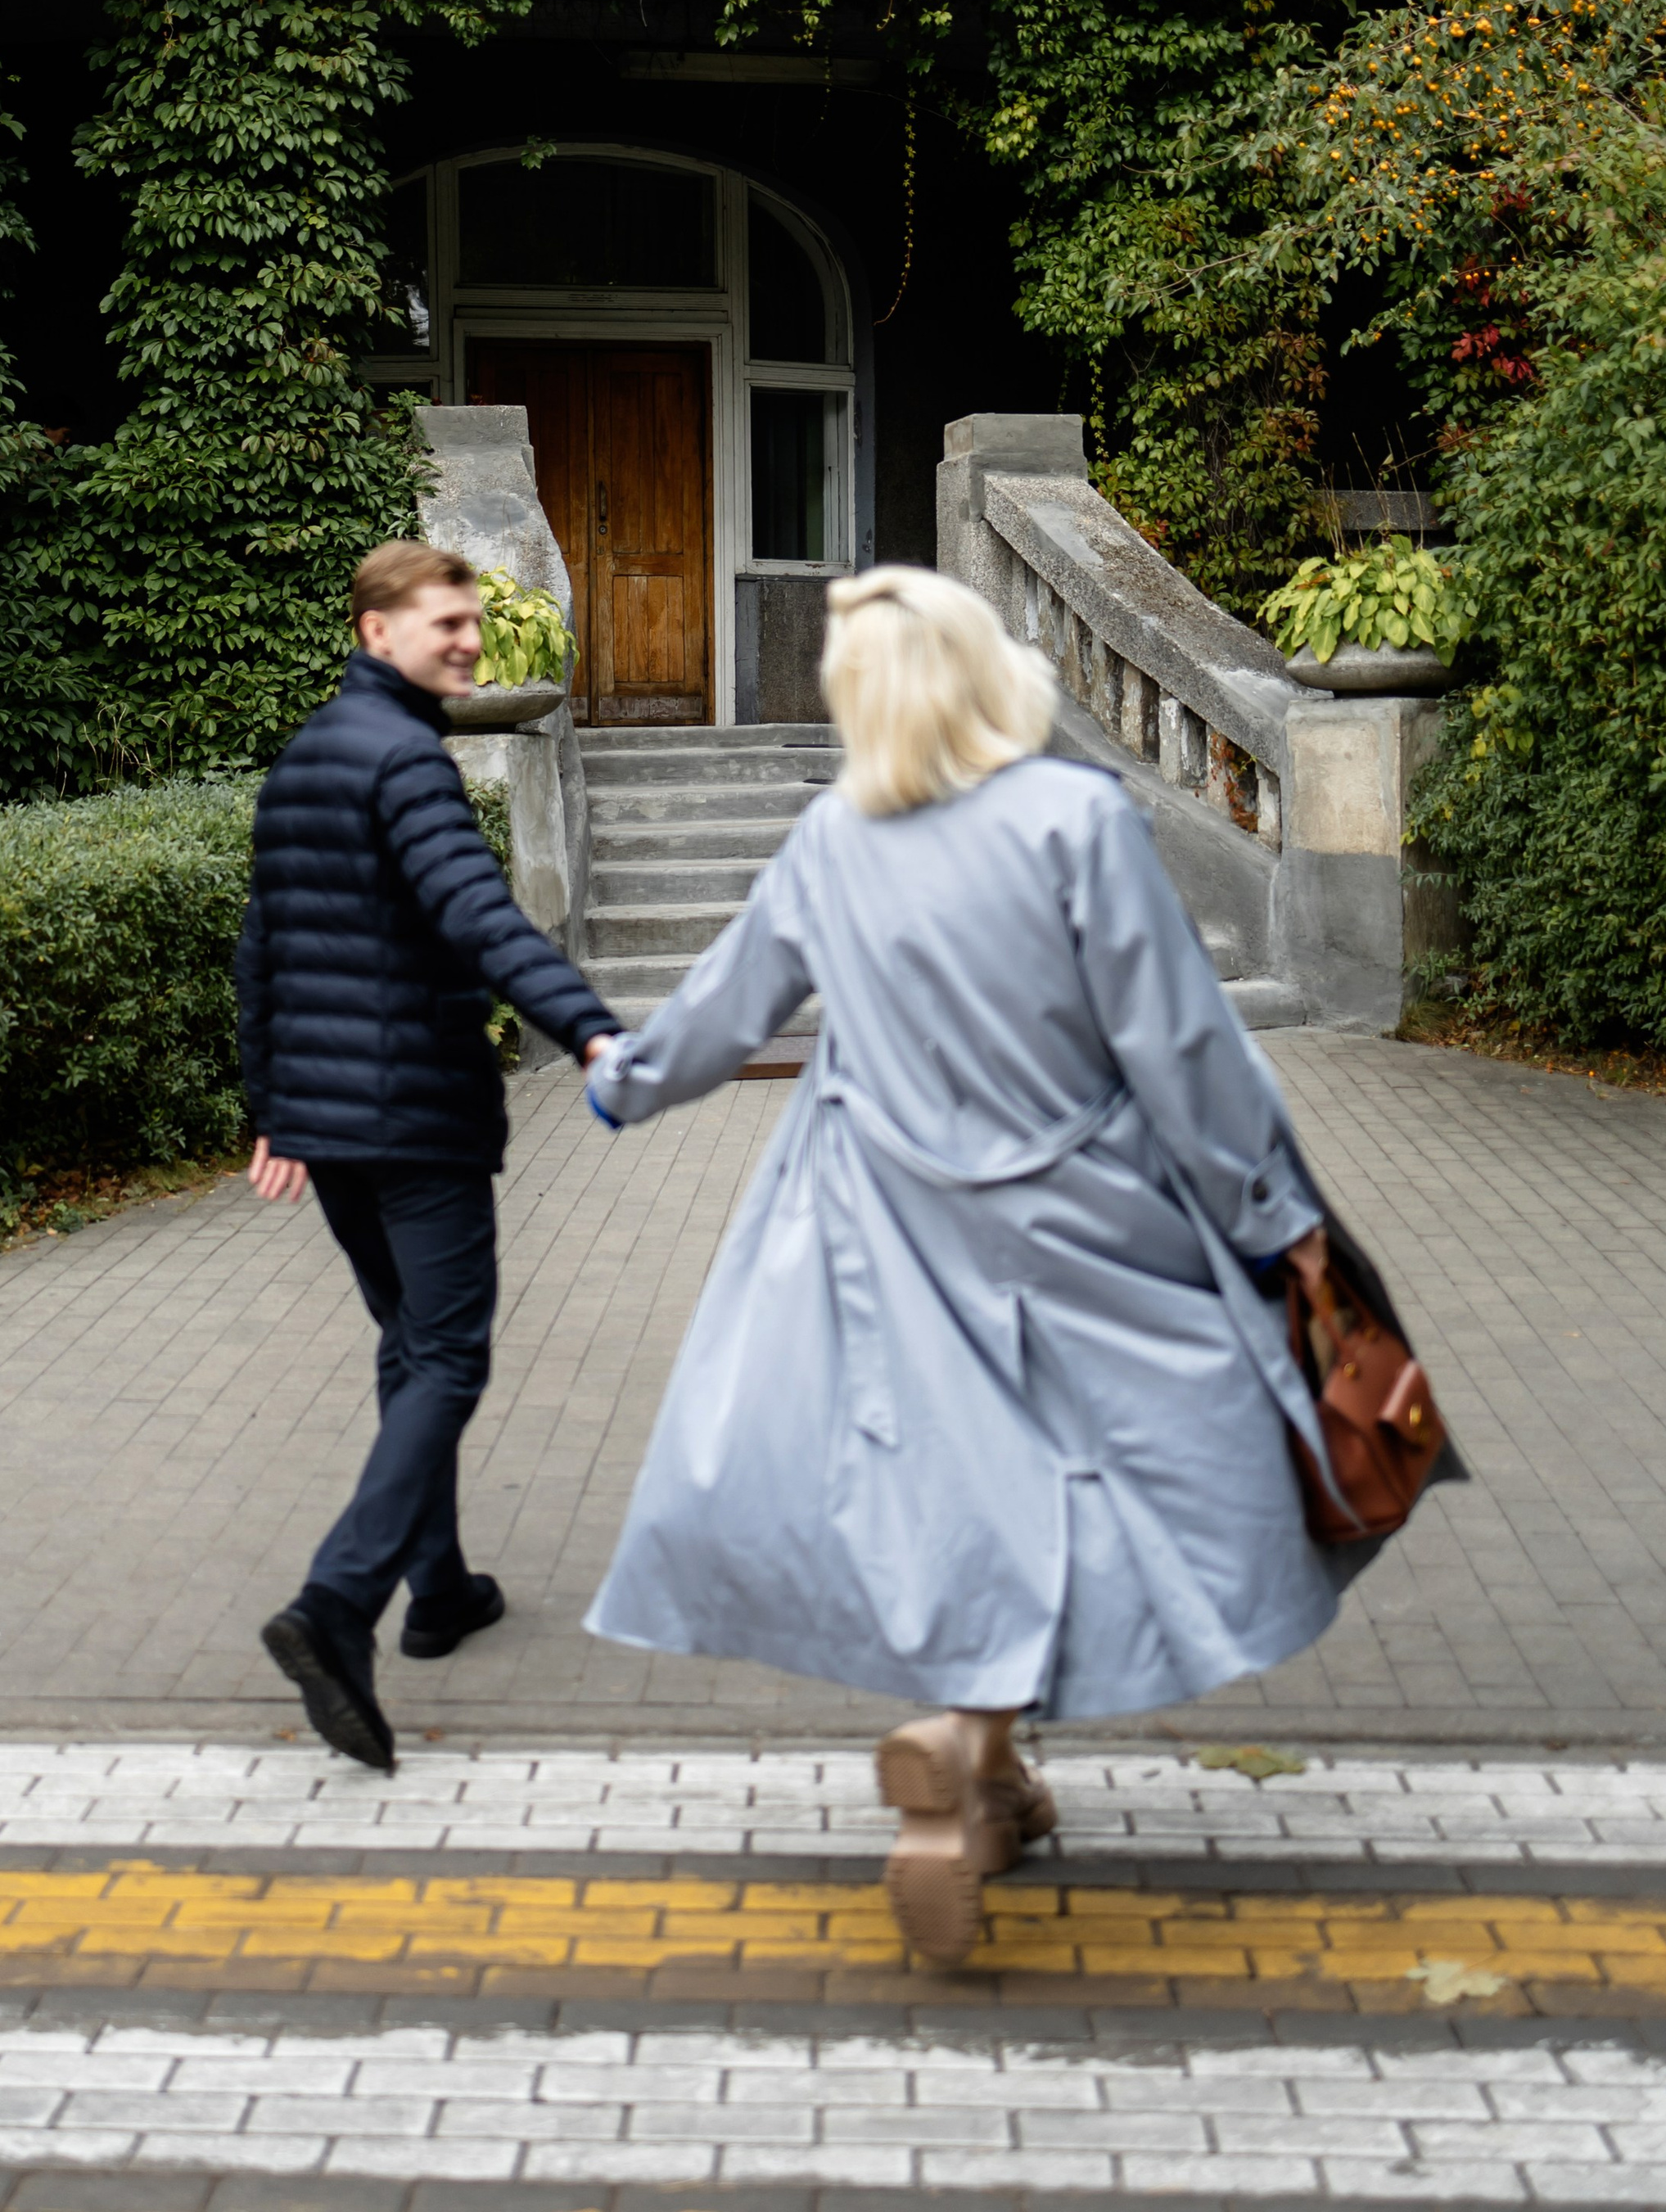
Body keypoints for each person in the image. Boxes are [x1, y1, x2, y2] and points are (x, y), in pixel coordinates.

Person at [583, 565, 1416, 1969]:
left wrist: (622, 1081)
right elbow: (1182, 1047)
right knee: (1113, 1472)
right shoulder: (1073, 819)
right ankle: (971, 1751)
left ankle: (981, 1771)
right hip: (1083, 1219)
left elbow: (723, 1013)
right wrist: (1271, 1212)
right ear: (984, 671)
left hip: (880, 1222)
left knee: (966, 1490)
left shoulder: (831, 837)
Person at [236, 540, 621, 1775]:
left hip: (329, 1126)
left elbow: (263, 952)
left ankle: (440, 1587)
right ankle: (339, 1603)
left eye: (469, 621)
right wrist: (591, 1027)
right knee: (450, 1355)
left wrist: (271, 1104)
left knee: (409, 1349)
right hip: (413, 1119)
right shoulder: (409, 762)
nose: (465, 639)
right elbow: (477, 915)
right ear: (373, 632)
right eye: (442, 622)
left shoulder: (305, 758)